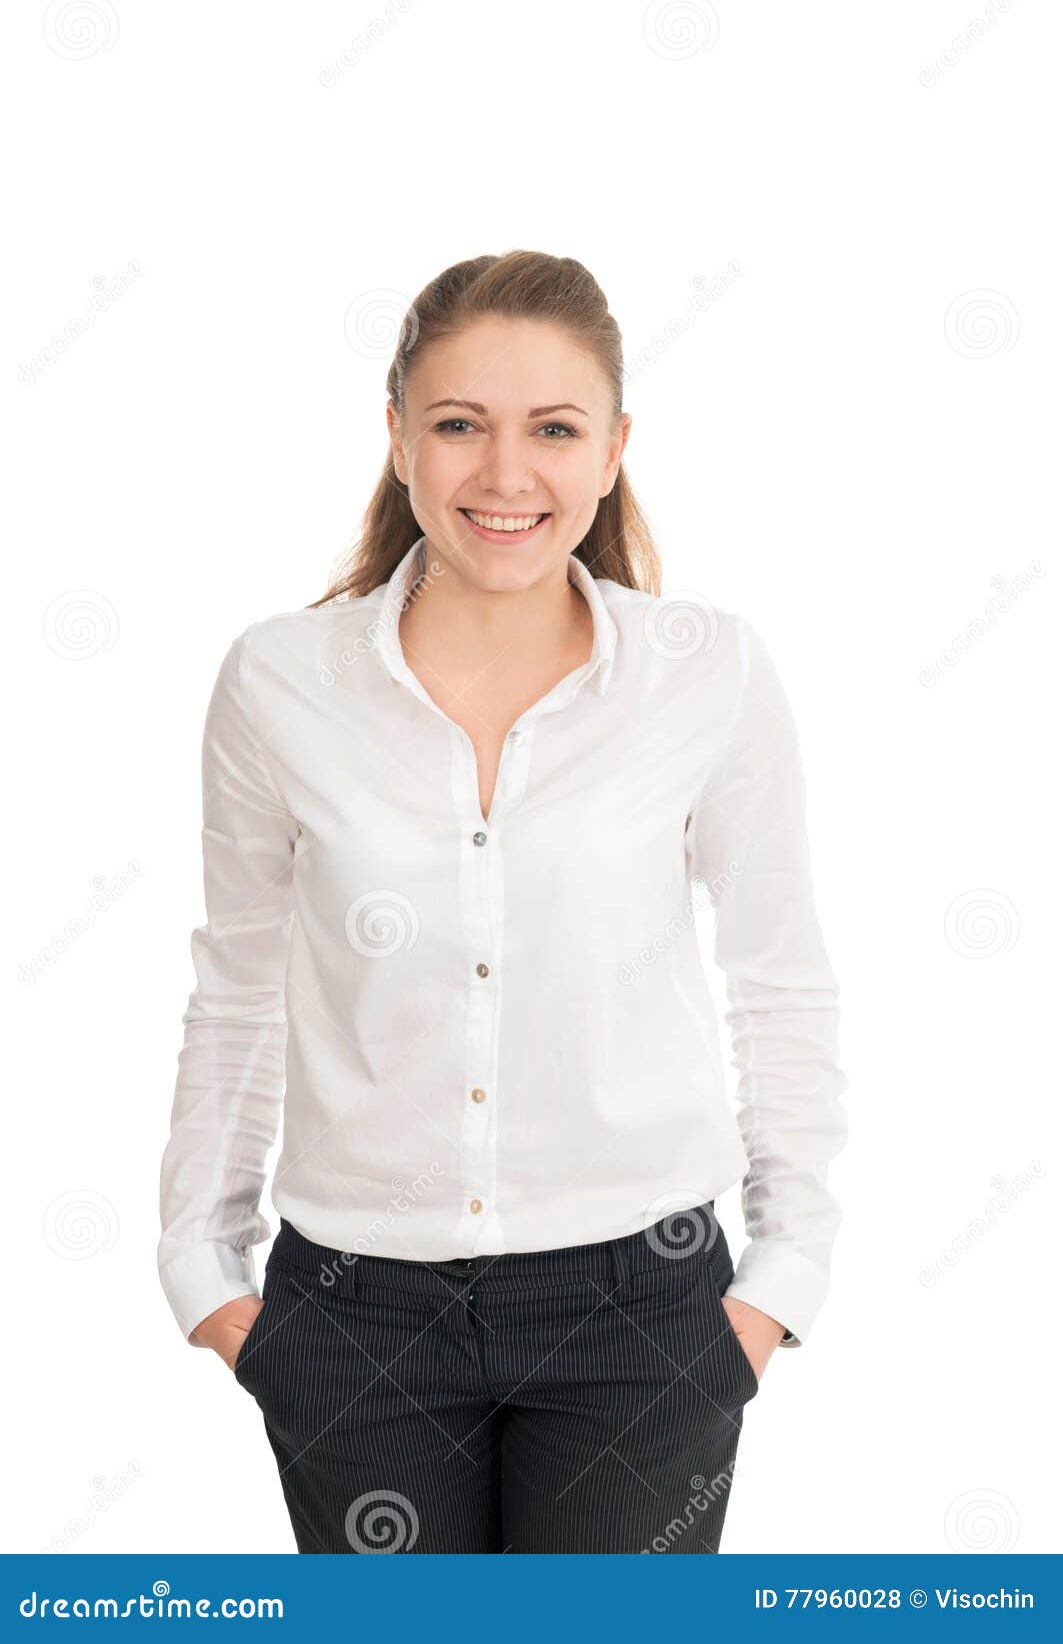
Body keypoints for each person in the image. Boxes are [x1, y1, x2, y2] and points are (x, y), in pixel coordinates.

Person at [157, 249, 848, 1554]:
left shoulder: (704, 676)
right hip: (357, 1316)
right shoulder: (277, 682)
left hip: (644, 1315)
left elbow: (782, 977)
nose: (507, 474)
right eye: (461, 424)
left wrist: (779, 1284)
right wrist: (204, 1268)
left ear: (614, 448)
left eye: (554, 429)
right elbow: (237, 980)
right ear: (400, 437)